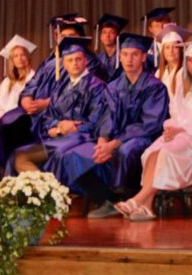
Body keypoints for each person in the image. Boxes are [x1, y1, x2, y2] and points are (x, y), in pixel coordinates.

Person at [50, 34, 169, 218]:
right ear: (120, 57)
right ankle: (106, 200)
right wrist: (102, 140)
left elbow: (149, 124)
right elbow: (106, 117)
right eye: (125, 54)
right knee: (76, 154)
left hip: (144, 138)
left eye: (135, 54)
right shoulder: (113, 86)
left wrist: (113, 144)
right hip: (113, 139)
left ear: (144, 57)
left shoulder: (155, 87)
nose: (129, 60)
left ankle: (129, 198)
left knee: (127, 150)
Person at [115, 41, 192, 221]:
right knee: (151, 151)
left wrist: (182, 128)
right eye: (191, 60)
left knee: (165, 152)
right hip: (183, 132)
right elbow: (175, 110)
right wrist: (174, 128)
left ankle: (137, 199)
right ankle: (147, 207)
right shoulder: (183, 84)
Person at [12, 37, 108, 174]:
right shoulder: (60, 87)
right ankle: (46, 190)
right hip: (58, 137)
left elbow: (97, 120)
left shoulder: (97, 87)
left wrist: (74, 127)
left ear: (86, 61)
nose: (75, 63)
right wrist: (57, 128)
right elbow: (48, 116)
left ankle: (51, 190)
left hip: (80, 138)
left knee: (30, 157)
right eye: (70, 60)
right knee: (17, 155)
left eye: (78, 59)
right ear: (64, 64)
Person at [0, 35, 37, 117]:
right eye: (15, 56)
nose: (19, 59)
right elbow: (0, 105)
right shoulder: (7, 81)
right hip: (6, 122)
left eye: (22, 55)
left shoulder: (34, 78)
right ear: (12, 60)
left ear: (27, 57)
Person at [155, 23, 191, 100]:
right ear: (163, 51)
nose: (171, 51)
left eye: (175, 47)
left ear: (181, 50)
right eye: (167, 47)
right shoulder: (158, 73)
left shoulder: (187, 72)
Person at [94, 14, 128, 80]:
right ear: (100, 37)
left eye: (111, 32)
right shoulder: (98, 58)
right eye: (104, 32)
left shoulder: (124, 56)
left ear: (117, 36)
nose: (107, 35)